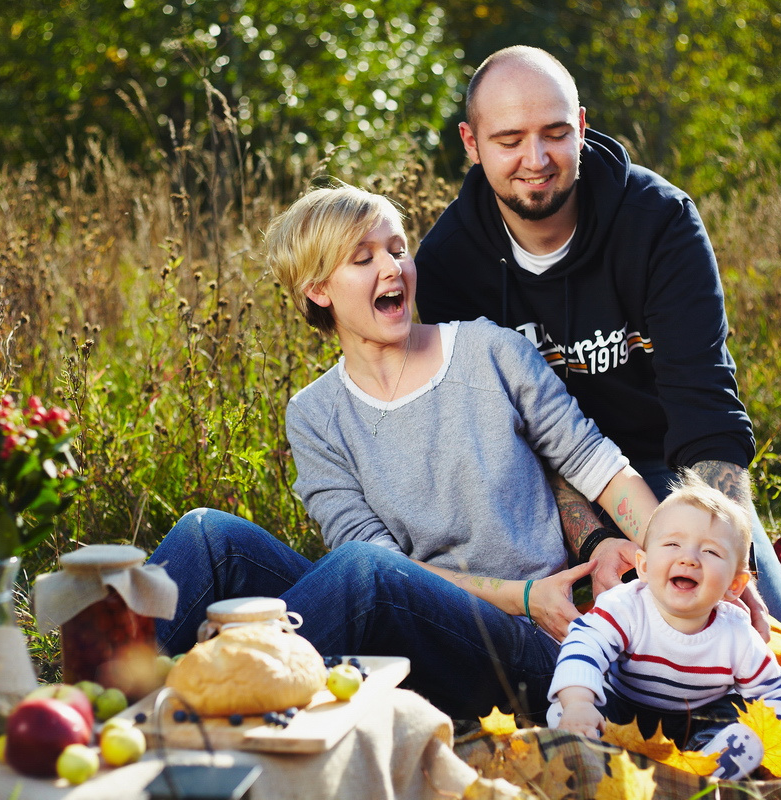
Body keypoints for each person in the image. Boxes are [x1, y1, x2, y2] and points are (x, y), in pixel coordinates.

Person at [149, 184, 662, 720]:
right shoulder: (314, 415)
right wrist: (520, 592)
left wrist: (677, 550)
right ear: (319, 289)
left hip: (533, 642)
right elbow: (383, 564)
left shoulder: (492, 352)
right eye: (363, 258)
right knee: (207, 535)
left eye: (397, 248)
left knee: (362, 572)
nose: (392, 267)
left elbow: (597, 465)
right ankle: (106, 710)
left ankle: (208, 716)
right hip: (435, 617)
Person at [413, 45, 781, 636]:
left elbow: (706, 411)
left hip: (665, 470)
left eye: (555, 132)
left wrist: (719, 548)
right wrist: (591, 537)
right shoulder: (447, 265)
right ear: (470, 142)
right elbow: (497, 439)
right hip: (537, 492)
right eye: (509, 139)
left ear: (583, 126)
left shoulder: (659, 221)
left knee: (767, 633)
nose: (536, 159)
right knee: (599, 656)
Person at [546, 470, 781, 780]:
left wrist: (776, 729)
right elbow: (584, 644)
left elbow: (775, 691)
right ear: (643, 566)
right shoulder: (626, 606)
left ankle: (704, 768)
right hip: (625, 710)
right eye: (672, 545)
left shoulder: (737, 635)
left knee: (734, 720)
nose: (689, 559)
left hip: (698, 718)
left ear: (735, 585)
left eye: (710, 551)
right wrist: (578, 701)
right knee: (573, 707)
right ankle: (588, 743)